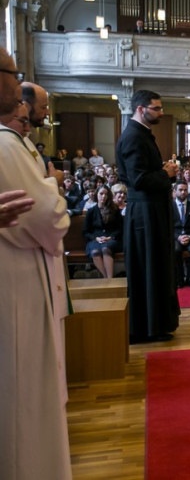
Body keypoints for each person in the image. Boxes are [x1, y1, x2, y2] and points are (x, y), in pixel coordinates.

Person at [0, 47, 72, 479]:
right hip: (14, 286)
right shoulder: (6, 147)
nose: (17, 83)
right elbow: (49, 216)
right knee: (22, 401)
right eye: (13, 73)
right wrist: (52, 186)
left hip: (22, 274)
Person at [116, 89, 181, 343]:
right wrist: (166, 174)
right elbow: (139, 179)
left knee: (156, 266)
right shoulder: (133, 137)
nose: (161, 113)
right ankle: (145, 328)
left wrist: (163, 171)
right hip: (144, 213)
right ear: (141, 109)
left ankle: (156, 325)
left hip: (150, 209)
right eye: (157, 108)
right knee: (148, 268)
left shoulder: (141, 134)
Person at [83, 185, 123, 278]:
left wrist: (110, 237)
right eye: (101, 194)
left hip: (112, 239)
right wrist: (96, 238)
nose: (104, 196)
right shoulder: (91, 211)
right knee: (95, 252)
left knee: (105, 249)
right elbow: (85, 232)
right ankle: (106, 279)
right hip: (95, 240)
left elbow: (120, 229)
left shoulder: (114, 210)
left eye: (106, 194)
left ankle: (109, 278)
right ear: (97, 194)